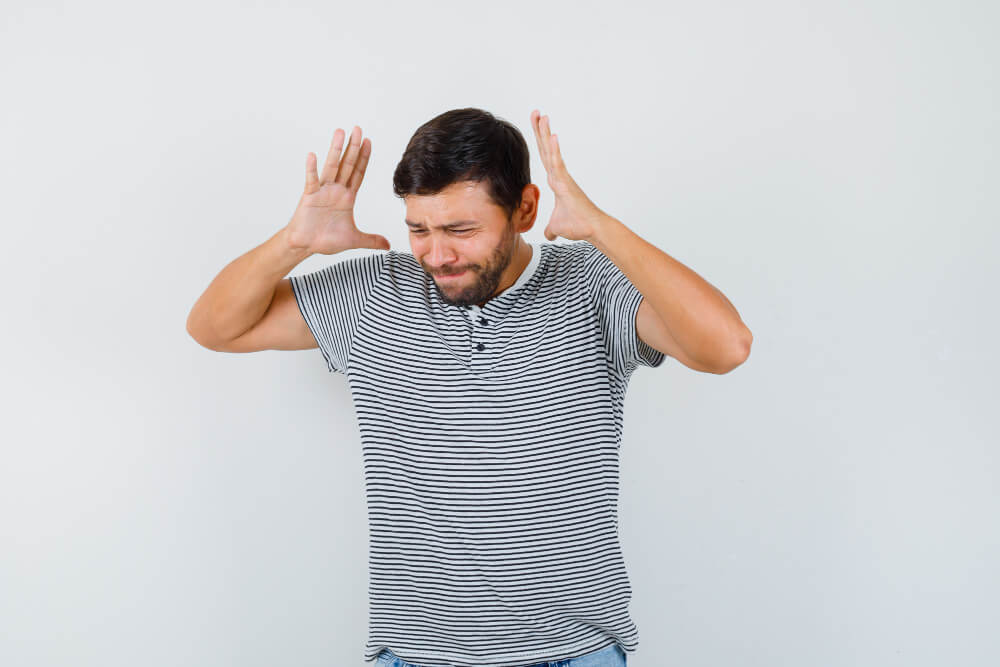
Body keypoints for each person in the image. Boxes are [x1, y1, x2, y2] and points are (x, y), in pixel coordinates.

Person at [187, 108, 752, 667]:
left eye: (461, 230)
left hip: (574, 654)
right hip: (413, 657)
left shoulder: (594, 283)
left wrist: (603, 229)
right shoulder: (372, 292)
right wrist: (295, 242)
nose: (437, 254)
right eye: (419, 229)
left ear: (525, 210)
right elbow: (215, 328)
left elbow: (725, 347)